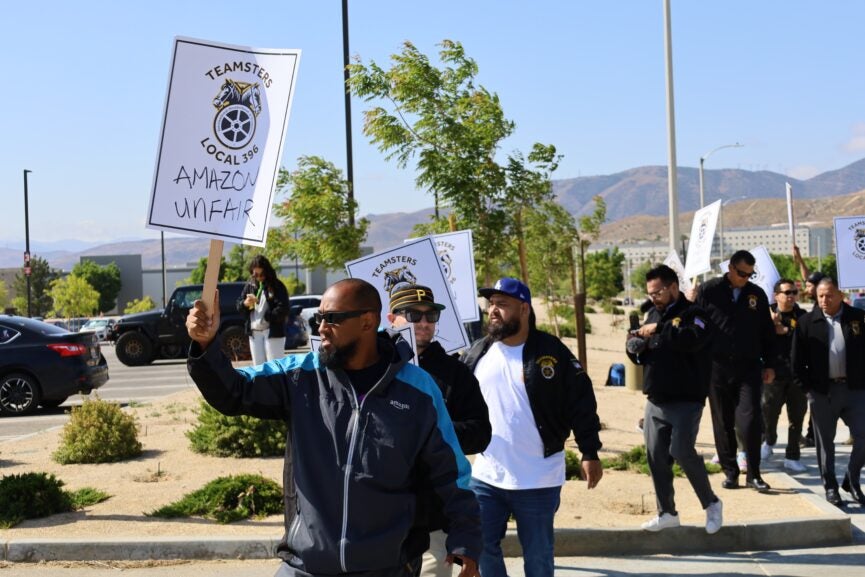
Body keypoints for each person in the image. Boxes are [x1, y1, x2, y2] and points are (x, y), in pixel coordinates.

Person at [187, 278, 481, 577]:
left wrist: (466, 541)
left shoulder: (418, 390)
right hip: (305, 566)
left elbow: (451, 474)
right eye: (319, 318)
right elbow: (234, 391)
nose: (322, 328)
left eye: (333, 319)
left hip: (387, 567)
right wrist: (206, 343)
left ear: (368, 322)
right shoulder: (300, 376)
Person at [460, 277, 603, 577]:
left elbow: (582, 403)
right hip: (487, 475)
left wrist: (589, 452)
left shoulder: (552, 353)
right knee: (481, 547)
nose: (493, 311)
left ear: (524, 309)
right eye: (491, 305)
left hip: (538, 478)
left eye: (502, 305)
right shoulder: (477, 352)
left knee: (538, 559)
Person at [386, 284, 491, 577]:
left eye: (430, 316)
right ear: (392, 318)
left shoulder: (455, 373)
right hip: (380, 520)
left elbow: (480, 432)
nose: (423, 323)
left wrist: (433, 432)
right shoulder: (374, 367)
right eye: (413, 314)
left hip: (435, 518)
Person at [626, 265, 722, 534]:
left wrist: (660, 329)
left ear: (672, 287)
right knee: (655, 457)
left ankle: (711, 503)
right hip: (656, 399)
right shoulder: (651, 314)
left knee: (681, 451)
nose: (653, 297)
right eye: (650, 293)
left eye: (657, 292)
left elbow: (690, 340)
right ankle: (666, 512)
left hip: (686, 399)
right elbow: (641, 354)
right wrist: (635, 346)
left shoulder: (695, 315)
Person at [695, 250, 776, 493]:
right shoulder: (709, 291)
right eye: (741, 273)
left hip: (748, 366)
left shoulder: (756, 294)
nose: (744, 278)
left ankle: (754, 474)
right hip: (716, 367)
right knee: (723, 422)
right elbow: (695, 323)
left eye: (749, 275)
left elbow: (767, 332)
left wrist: (770, 363)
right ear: (730, 268)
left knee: (750, 420)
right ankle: (730, 472)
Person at [792, 277, 865, 507]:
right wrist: (808, 391)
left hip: (855, 390)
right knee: (825, 443)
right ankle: (831, 487)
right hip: (822, 392)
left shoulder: (858, 318)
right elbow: (796, 362)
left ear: (841, 295)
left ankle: (851, 479)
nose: (824, 299)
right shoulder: (806, 322)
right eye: (820, 295)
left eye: (829, 295)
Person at [761, 278, 808, 473]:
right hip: (774, 374)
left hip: (797, 374)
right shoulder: (766, 314)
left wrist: (785, 329)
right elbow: (756, 338)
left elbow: (807, 337)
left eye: (793, 293)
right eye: (787, 293)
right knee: (769, 413)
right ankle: (769, 440)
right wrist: (771, 327)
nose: (791, 296)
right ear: (776, 295)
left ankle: (792, 455)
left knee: (796, 416)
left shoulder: (803, 315)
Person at [237, 255, 290, 365]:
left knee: (275, 367)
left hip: (272, 331)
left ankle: (277, 383)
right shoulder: (250, 285)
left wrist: (268, 317)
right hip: (254, 332)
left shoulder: (277, 285)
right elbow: (238, 305)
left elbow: (283, 307)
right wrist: (245, 304)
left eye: (262, 275)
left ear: (267, 272)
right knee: (259, 368)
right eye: (255, 274)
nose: (259, 278)